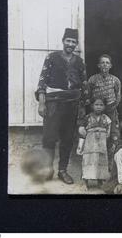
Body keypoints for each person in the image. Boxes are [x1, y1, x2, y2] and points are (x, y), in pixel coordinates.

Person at [35, 28, 87, 184]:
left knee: (68, 138)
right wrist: (42, 103)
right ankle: (48, 169)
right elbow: (42, 81)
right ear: (63, 41)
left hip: (72, 105)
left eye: (73, 42)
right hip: (53, 104)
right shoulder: (52, 57)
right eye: (68, 41)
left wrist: (83, 105)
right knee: (49, 137)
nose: (70, 44)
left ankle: (62, 171)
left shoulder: (79, 61)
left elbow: (84, 84)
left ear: (76, 44)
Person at [87, 54, 121, 154]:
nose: (105, 65)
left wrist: (113, 107)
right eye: (102, 62)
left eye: (107, 63)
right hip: (96, 110)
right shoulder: (92, 79)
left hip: (111, 109)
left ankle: (111, 157)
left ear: (110, 66)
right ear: (98, 65)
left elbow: (118, 95)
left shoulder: (115, 80)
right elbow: (88, 96)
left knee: (112, 133)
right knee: (96, 132)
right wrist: (94, 108)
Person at [76, 98, 112, 188]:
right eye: (96, 105)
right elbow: (82, 130)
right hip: (90, 143)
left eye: (101, 105)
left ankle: (100, 180)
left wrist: (103, 135)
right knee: (88, 160)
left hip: (101, 143)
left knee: (101, 160)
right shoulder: (87, 117)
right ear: (92, 106)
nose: (98, 107)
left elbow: (108, 132)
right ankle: (85, 181)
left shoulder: (106, 119)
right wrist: (83, 133)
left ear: (104, 107)